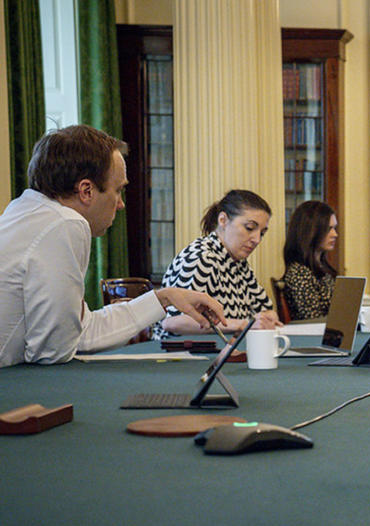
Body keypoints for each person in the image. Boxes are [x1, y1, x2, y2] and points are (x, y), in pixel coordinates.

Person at [0, 125, 225, 367]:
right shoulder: (65, 223)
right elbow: (53, 351)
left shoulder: (24, 212)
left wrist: (164, 298)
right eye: (118, 191)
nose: (121, 204)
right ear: (86, 190)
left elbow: (81, 332)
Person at [154, 189, 280, 338]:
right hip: (177, 353)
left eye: (262, 233)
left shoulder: (238, 262)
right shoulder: (202, 258)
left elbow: (264, 309)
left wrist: (268, 318)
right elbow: (173, 322)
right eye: (250, 228)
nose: (257, 239)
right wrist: (242, 324)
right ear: (223, 220)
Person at [281, 201, 338, 320]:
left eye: (334, 228)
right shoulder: (299, 273)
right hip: (314, 336)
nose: (335, 234)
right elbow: (313, 319)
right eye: (328, 229)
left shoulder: (322, 268)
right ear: (310, 231)